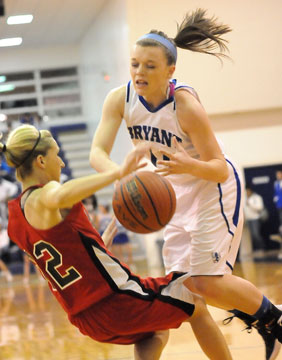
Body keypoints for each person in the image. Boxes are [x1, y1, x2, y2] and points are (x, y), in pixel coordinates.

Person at [89, 8, 282, 360]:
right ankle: (268, 322)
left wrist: (188, 164)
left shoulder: (185, 105)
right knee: (185, 297)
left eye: (149, 65)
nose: (139, 72)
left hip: (213, 187)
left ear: (170, 71)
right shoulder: (120, 98)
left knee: (206, 282)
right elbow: (97, 153)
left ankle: (274, 318)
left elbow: (218, 168)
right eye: (134, 64)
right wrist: (121, 177)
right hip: (172, 193)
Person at [1, 124, 232, 360]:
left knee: (155, 330)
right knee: (196, 303)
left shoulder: (15, 221)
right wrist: (117, 173)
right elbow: (58, 195)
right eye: (57, 155)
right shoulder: (45, 194)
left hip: (86, 320)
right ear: (40, 161)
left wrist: (97, 245)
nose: (61, 162)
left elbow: (62, 258)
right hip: (116, 302)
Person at [245, 185, 266, 253]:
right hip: (248, 219)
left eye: (248, 191)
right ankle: (257, 250)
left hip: (255, 219)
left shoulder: (257, 197)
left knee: (256, 234)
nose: (247, 192)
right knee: (252, 236)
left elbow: (260, 207)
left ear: (251, 191)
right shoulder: (244, 198)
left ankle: (262, 248)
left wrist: (250, 204)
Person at [274, 170, 282, 235]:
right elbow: (276, 192)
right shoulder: (276, 183)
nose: (278, 176)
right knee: (280, 217)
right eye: (277, 175)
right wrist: (275, 198)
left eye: (279, 174)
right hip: (279, 204)